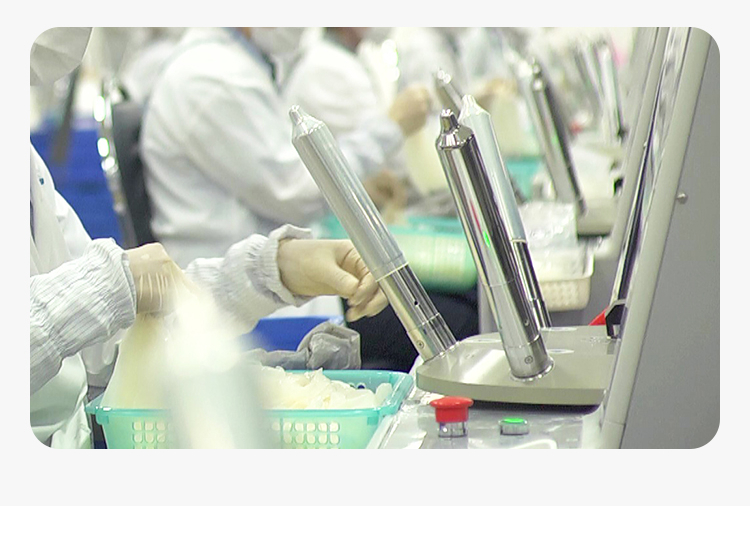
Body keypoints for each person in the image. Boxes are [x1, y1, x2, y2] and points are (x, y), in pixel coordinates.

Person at [29, 27, 389, 449]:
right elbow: (292, 190)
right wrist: (112, 284)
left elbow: (108, 343)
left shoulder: (27, 164)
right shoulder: (208, 76)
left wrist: (274, 270)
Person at [141, 27, 431, 268]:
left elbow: (280, 176)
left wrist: (357, 184)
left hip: (260, 268)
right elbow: (297, 193)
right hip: (229, 286)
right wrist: (389, 129)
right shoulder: (211, 78)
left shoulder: (238, 64)